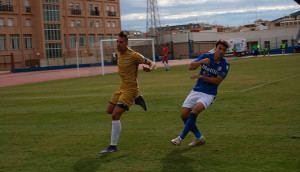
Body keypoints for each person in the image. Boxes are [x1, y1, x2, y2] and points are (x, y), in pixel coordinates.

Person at [100, 31, 156, 154]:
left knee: (115, 115)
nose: (118, 44)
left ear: (126, 43)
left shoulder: (133, 55)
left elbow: (152, 62)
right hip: (122, 87)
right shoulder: (119, 54)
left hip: (131, 89)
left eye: (121, 42)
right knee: (109, 110)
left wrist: (150, 68)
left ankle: (113, 146)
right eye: (117, 42)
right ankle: (136, 101)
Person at [171, 40, 230, 146]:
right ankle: (199, 137)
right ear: (215, 48)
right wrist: (201, 62)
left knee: (194, 111)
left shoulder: (225, 64)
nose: (221, 51)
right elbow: (191, 67)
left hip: (209, 93)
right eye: (219, 48)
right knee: (184, 115)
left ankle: (180, 138)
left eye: (224, 50)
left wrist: (203, 77)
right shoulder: (206, 56)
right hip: (197, 90)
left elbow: (217, 81)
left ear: (225, 52)